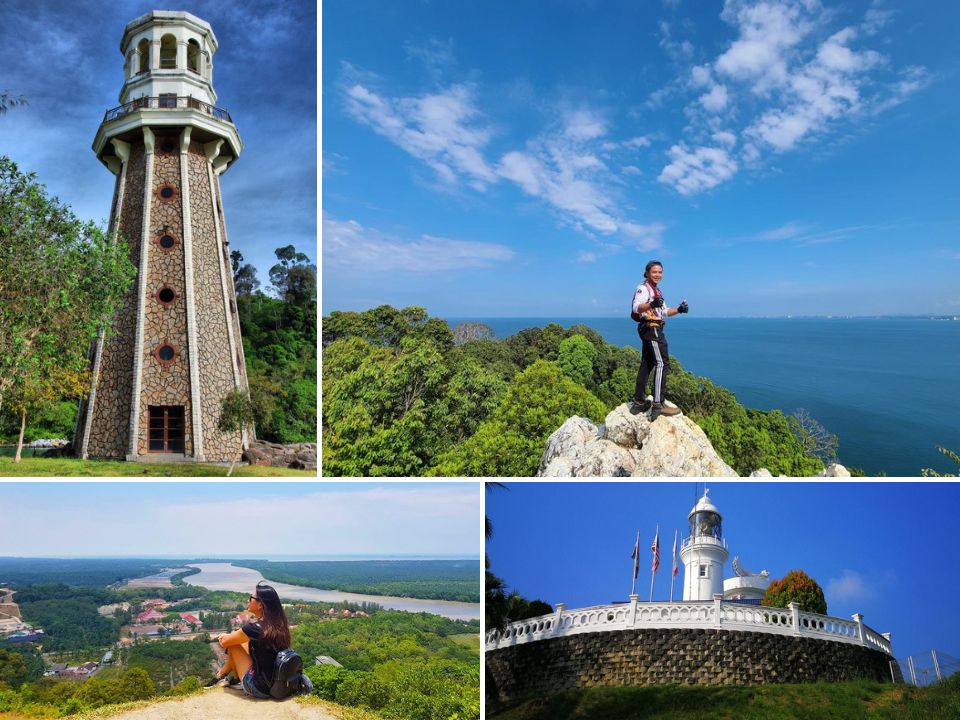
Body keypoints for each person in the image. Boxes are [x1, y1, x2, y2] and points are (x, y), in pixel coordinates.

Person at [204, 581, 311, 698]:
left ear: (260, 604)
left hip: (260, 688)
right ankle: (224, 677)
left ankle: (223, 677)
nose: (247, 601)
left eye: (251, 598)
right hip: (275, 683)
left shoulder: (254, 628)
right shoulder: (279, 625)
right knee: (243, 642)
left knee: (233, 645)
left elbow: (225, 642)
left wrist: (222, 637)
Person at [630, 260, 688, 420]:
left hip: (651, 328)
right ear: (647, 273)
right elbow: (637, 307)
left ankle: (639, 402)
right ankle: (657, 405)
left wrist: (679, 309)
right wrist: (650, 304)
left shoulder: (657, 291)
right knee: (662, 363)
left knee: (647, 364)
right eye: (655, 272)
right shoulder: (643, 288)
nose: (658, 275)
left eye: (660, 272)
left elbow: (665, 312)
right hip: (651, 329)